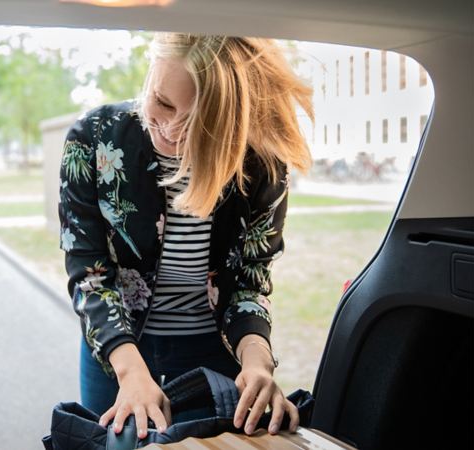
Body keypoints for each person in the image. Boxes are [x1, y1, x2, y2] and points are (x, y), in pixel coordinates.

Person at [58, 33, 312, 440]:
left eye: (198, 122)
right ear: (150, 75)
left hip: (213, 354)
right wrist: (131, 371)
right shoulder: (93, 139)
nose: (172, 129)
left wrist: (257, 363)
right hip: (117, 350)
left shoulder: (261, 162)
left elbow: (249, 282)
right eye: (161, 102)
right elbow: (89, 275)